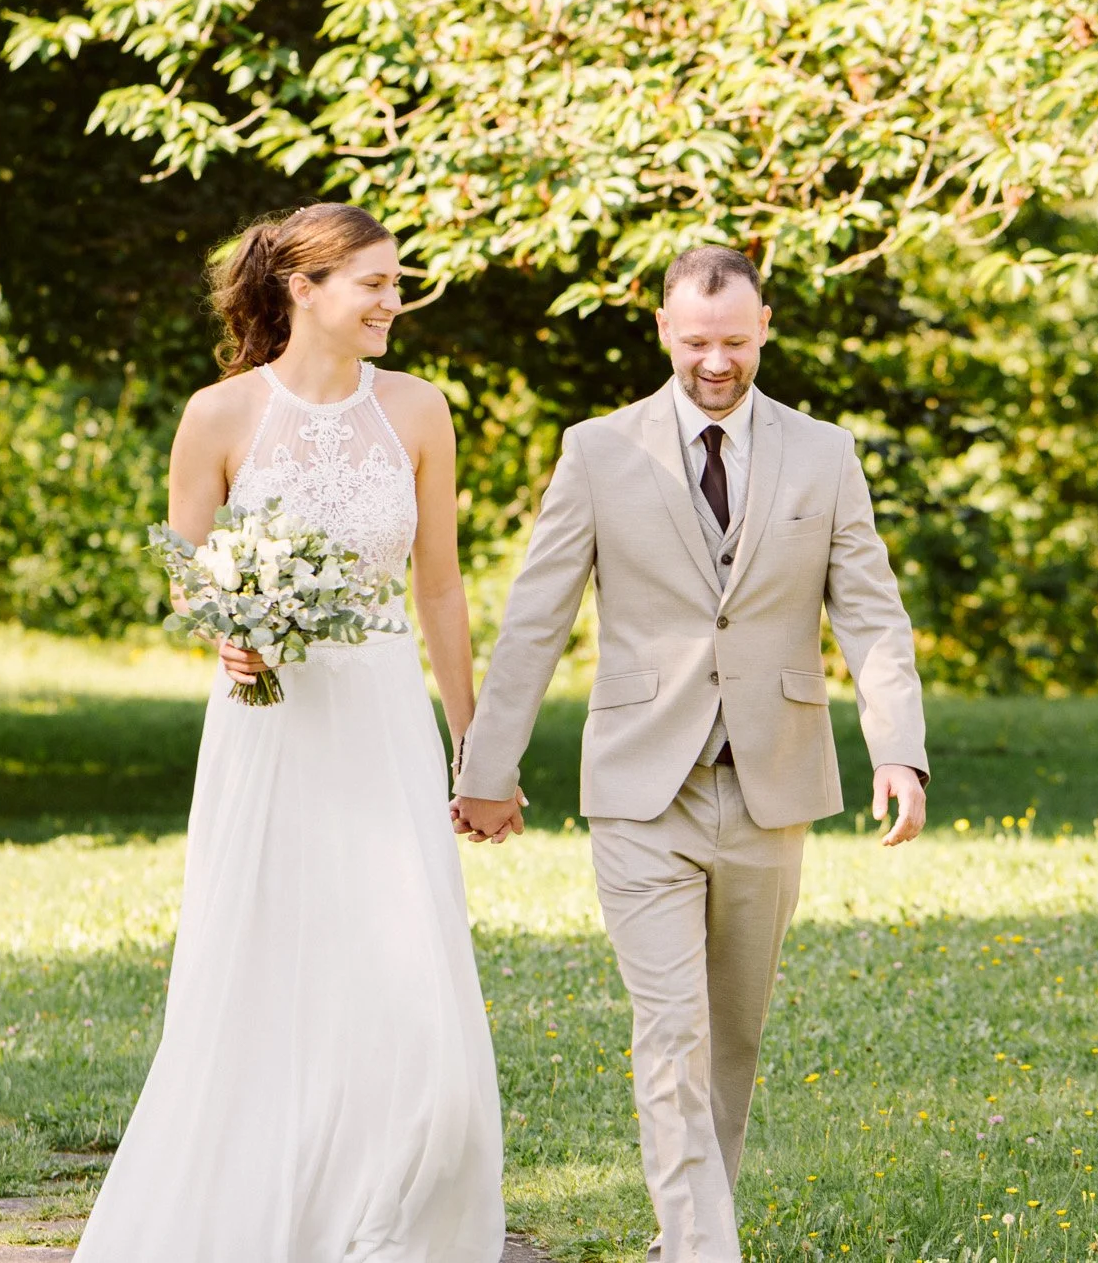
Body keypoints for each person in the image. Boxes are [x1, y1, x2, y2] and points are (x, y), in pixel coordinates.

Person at [454, 245, 930, 1263]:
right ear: (662, 331)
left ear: (763, 332)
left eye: (734, 342)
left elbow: (871, 616)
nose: (715, 362)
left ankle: (687, 1239)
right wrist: (486, 770)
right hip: (640, 789)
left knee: (731, 1042)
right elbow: (535, 619)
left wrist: (899, 750)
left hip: (771, 786)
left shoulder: (824, 454)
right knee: (670, 1034)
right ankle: (706, 1251)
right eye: (695, 341)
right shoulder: (597, 450)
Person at [75, 204, 505, 1263]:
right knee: (262, 966)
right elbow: (185, 575)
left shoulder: (417, 411)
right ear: (303, 289)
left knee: (410, 979)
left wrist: (475, 747)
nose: (391, 302)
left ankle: (391, 1221)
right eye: (373, 284)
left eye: (394, 282)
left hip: (380, 719)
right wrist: (230, 627)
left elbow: (441, 590)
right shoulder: (218, 415)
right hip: (266, 730)